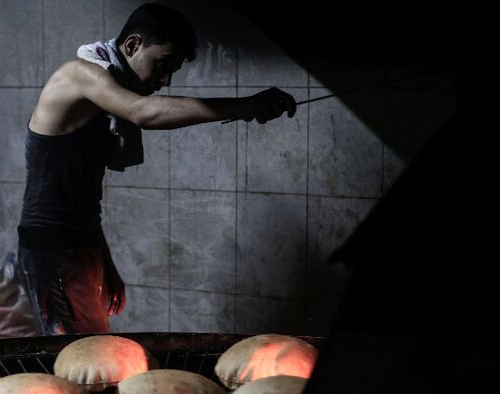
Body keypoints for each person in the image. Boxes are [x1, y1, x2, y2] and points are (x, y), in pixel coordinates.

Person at [17, 2, 296, 337]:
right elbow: (144, 113)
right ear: (133, 45)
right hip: (51, 250)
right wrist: (247, 105)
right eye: (161, 65)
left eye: (171, 71)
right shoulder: (78, 74)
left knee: (92, 355)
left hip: (81, 245)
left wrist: (104, 262)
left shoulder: (104, 97)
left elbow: (80, 197)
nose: (164, 81)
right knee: (83, 360)